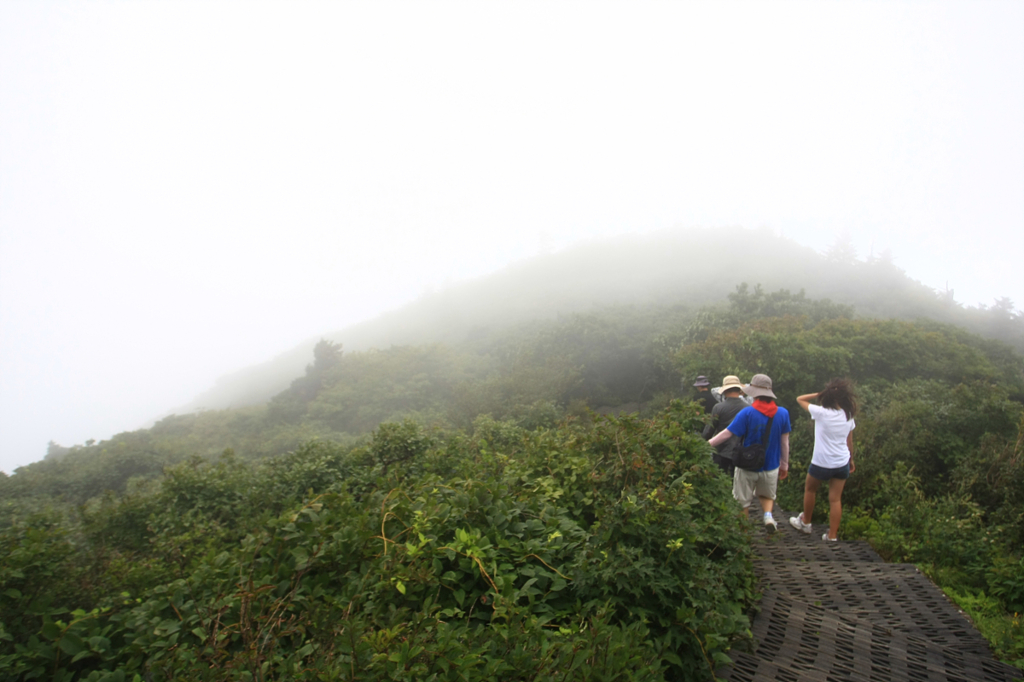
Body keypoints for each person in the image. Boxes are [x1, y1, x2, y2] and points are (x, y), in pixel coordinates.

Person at [708, 374, 791, 533]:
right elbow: (784, 443)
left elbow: (727, 433)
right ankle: (767, 515)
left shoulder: (747, 413)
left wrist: (707, 444)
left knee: (743, 502)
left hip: (747, 466)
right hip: (771, 466)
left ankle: (743, 534)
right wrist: (784, 465)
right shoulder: (783, 413)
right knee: (767, 496)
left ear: (753, 392)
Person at [789, 379, 857, 541]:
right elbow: (849, 441)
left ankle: (806, 522)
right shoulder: (848, 415)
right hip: (841, 462)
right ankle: (832, 536)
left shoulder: (821, 412)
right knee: (835, 499)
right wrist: (851, 460)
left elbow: (800, 399)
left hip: (821, 461)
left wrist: (820, 394)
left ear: (829, 397)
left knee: (810, 490)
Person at [702, 375, 748, 475]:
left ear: (725, 391)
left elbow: (709, 430)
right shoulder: (748, 408)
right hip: (740, 451)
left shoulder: (719, 407)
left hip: (720, 450)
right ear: (739, 389)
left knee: (718, 478)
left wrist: (702, 444)